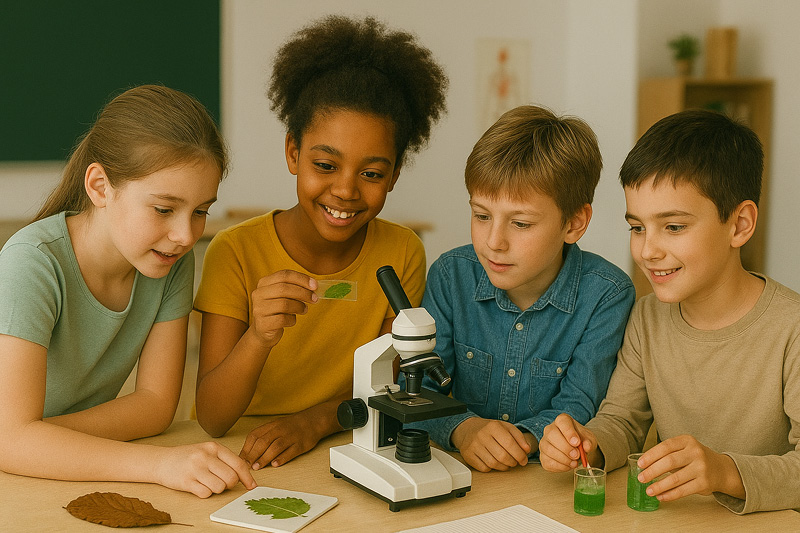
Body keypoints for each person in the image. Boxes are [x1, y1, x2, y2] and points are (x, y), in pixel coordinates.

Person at [193, 15, 448, 469]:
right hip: (243, 451)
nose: (346, 191)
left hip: (346, 438)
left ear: (395, 174)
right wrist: (258, 336)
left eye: (371, 173)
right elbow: (213, 417)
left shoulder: (403, 251)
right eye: (326, 165)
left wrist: (313, 422)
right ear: (293, 152)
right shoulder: (233, 253)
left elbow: (387, 385)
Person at [539, 109, 800, 514]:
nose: (648, 250)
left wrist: (724, 471)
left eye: (673, 227)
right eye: (637, 227)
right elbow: (622, 421)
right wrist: (588, 443)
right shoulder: (647, 319)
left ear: (740, 224)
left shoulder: (792, 328)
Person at [0, 85, 256, 498]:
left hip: (46, 471)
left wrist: (34, 439)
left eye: (201, 211)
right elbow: (9, 442)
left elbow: (155, 405)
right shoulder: (31, 263)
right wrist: (159, 464)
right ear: (100, 187)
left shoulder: (169, 260)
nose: (185, 234)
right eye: (163, 209)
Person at [406, 105, 635, 472]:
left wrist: (524, 440)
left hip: (545, 481)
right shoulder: (451, 276)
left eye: (522, 224)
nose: (494, 242)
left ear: (574, 223)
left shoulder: (606, 295)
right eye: (481, 216)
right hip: (459, 473)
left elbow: (579, 402)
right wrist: (462, 429)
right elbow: (416, 389)